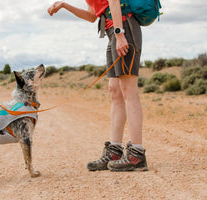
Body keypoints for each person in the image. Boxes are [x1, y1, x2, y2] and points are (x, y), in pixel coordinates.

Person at [48, 0, 148, 171]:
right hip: (112, 31)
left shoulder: (120, 31)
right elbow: (92, 16)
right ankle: (115, 151)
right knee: (114, 91)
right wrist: (64, 6)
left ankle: (136, 154)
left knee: (128, 90)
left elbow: (114, 1)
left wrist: (119, 34)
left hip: (124, 27)